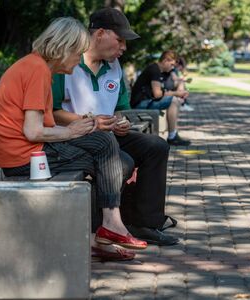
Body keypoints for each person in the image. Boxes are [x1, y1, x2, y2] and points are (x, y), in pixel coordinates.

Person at [0, 17, 147, 263]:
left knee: (106, 147)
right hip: (24, 157)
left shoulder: (36, 66)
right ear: (64, 48)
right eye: (77, 53)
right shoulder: (37, 70)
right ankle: (98, 235)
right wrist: (72, 131)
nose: (78, 61)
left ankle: (105, 229)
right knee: (111, 159)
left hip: (32, 150)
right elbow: (32, 131)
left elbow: (40, 127)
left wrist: (79, 129)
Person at [51, 8, 179, 254]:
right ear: (100, 34)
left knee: (156, 146)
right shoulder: (67, 62)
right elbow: (52, 111)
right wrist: (90, 121)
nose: (124, 48)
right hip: (75, 137)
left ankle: (146, 222)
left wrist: (121, 122)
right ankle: (104, 227)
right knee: (123, 162)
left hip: (108, 134)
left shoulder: (114, 67)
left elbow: (121, 109)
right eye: (120, 40)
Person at [130, 50, 190, 146]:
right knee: (174, 101)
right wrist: (176, 93)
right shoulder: (155, 70)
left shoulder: (158, 70)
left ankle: (173, 134)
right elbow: (158, 94)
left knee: (175, 100)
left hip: (146, 101)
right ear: (166, 60)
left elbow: (161, 92)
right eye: (172, 65)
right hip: (140, 103)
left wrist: (176, 92)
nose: (172, 68)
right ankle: (172, 136)